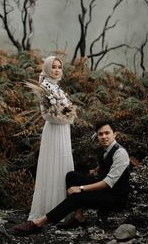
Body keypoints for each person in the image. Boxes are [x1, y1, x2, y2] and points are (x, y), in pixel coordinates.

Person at [14, 119, 130, 235]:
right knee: (71, 176)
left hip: (115, 198)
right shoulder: (104, 150)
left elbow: (107, 182)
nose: (104, 137)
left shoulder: (120, 153)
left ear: (115, 134)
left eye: (107, 133)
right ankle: (78, 217)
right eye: (100, 134)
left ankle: (38, 223)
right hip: (104, 191)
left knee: (77, 196)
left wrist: (81, 188)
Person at [27, 55, 76, 221]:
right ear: (47, 68)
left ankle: (62, 208)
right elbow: (46, 115)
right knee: (53, 165)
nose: (56, 70)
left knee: (63, 165)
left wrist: (69, 114)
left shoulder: (57, 88)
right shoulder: (45, 87)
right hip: (54, 131)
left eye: (59, 67)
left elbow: (65, 109)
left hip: (63, 131)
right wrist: (66, 118)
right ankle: (48, 208)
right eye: (53, 67)